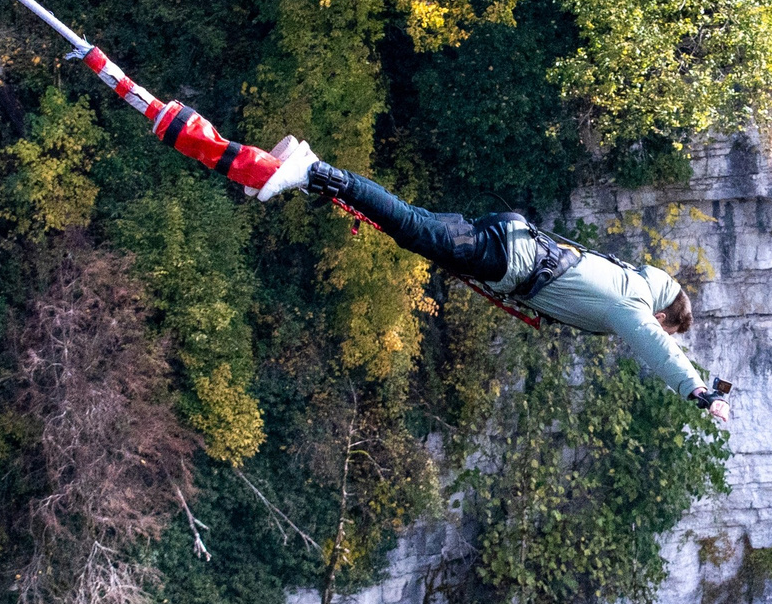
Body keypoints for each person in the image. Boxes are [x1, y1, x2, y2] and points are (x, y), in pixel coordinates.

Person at [258, 138, 733, 427]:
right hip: (508, 257)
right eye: (663, 326)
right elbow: (656, 348)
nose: (654, 329)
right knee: (408, 224)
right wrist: (697, 392)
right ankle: (314, 172)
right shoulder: (631, 305)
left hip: (511, 240)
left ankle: (308, 168)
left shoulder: (633, 279)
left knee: (414, 226)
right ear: (662, 316)